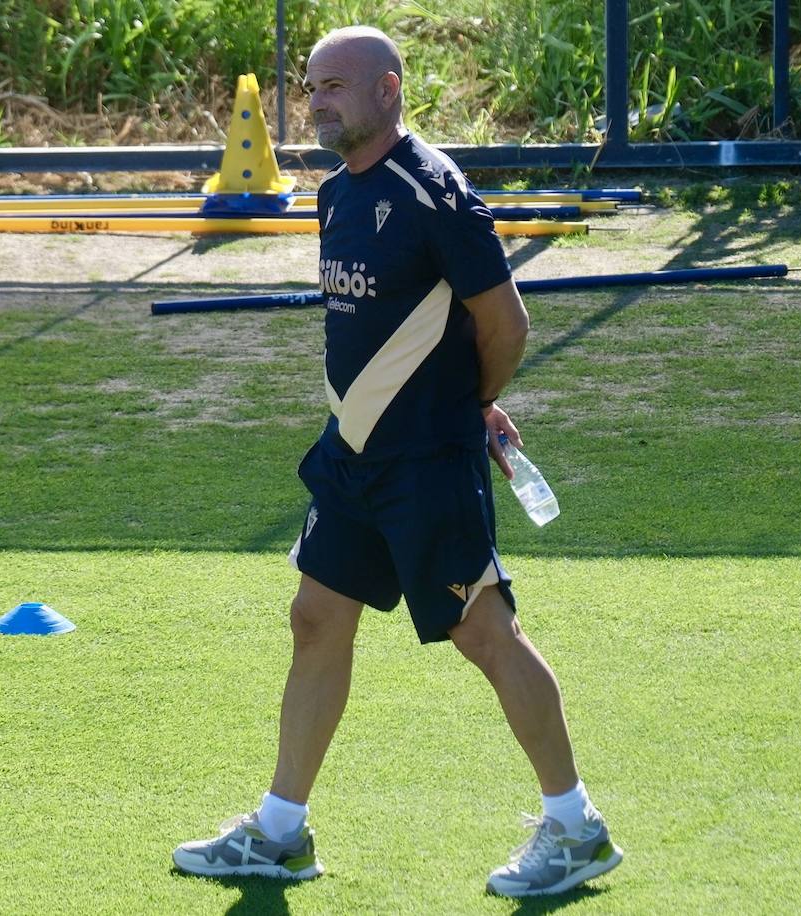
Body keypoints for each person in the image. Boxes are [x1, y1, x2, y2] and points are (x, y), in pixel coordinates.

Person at [172, 25, 622, 898]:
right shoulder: (336, 194)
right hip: (352, 454)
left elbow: (507, 324)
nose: (317, 101)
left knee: (484, 633)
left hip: (425, 461)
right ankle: (280, 831)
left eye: (335, 85)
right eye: (311, 87)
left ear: (388, 89)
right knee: (315, 619)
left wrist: (472, 406)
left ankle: (575, 828)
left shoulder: (436, 192)